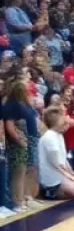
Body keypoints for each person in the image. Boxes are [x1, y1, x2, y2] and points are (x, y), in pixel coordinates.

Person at [3, 77, 40, 210]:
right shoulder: (12, 106)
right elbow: (10, 126)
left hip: (31, 139)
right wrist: (20, 141)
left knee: (31, 169)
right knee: (20, 171)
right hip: (20, 143)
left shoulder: (25, 104)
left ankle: (27, 197)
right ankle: (18, 200)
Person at [38, 107, 74, 200]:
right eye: (63, 119)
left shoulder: (58, 135)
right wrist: (69, 175)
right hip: (52, 178)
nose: (66, 124)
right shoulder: (50, 136)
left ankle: (59, 190)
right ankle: (50, 192)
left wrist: (71, 173)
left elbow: (63, 159)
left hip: (59, 174)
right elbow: (56, 163)